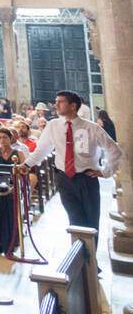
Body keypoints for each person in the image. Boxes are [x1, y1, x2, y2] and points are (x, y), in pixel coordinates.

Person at [25, 90, 123, 236]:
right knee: (75, 218)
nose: (55, 105)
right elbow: (42, 149)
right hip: (64, 178)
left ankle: (90, 256)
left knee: (90, 220)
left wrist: (105, 171)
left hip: (86, 178)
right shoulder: (53, 126)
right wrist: (26, 165)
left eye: (60, 101)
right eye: (56, 101)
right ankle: (79, 254)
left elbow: (114, 150)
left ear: (73, 106)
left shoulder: (91, 128)